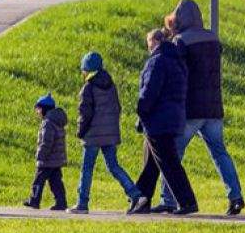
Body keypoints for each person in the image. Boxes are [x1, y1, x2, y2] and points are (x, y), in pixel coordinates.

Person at [158, 0, 244, 215]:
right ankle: (235, 196)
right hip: (214, 108)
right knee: (220, 152)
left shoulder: (180, 42)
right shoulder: (213, 38)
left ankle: (168, 198)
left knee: (172, 154)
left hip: (191, 109)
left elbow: (176, 74)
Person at [129, 29, 198, 215]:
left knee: (169, 164)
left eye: (149, 42)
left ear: (156, 40)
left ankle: (187, 201)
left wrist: (141, 111)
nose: (148, 46)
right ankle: (141, 200)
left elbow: (149, 92)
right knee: (151, 164)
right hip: (172, 119)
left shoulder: (157, 61)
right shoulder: (177, 61)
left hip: (157, 121)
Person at [70, 52, 140, 214]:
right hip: (110, 133)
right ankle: (134, 193)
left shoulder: (88, 88)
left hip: (93, 135)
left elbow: (84, 114)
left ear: (87, 70)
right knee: (113, 166)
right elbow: (117, 108)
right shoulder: (110, 85)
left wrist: (80, 132)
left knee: (87, 168)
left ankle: (82, 203)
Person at [23, 93, 68, 211]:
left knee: (38, 180)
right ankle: (61, 202)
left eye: (38, 109)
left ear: (44, 109)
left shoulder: (48, 123)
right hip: (56, 159)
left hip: (47, 159)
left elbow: (47, 142)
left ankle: (34, 200)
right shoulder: (57, 121)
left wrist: (40, 155)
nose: (37, 112)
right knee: (56, 182)